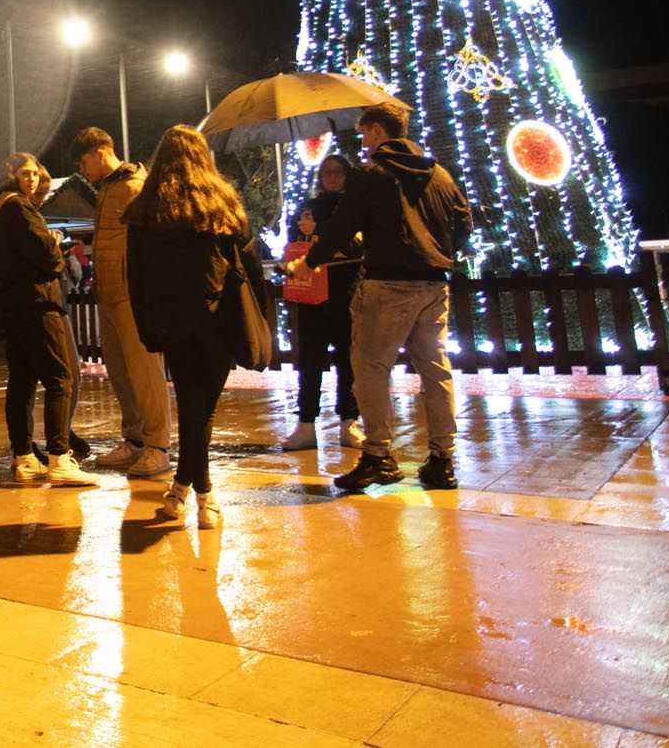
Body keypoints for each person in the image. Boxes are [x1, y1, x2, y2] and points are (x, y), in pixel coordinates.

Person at [292, 101, 472, 493]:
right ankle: (443, 460)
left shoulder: (374, 174)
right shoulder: (438, 173)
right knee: (435, 370)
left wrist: (312, 260)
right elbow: (464, 220)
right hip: (434, 284)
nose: (363, 143)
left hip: (387, 283)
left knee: (370, 369)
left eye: (364, 135)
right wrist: (440, 252)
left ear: (376, 131)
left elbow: (341, 226)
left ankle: (378, 456)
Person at [122, 124, 255, 529]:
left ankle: (184, 489)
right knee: (203, 410)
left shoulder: (147, 209)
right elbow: (245, 257)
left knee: (192, 407)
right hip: (218, 319)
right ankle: (204, 496)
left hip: (171, 319)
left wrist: (147, 329)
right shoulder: (222, 203)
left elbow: (136, 276)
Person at [0, 153, 99, 488]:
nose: (32, 179)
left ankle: (24, 457)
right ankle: (60, 459)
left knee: (22, 380)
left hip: (13, 305)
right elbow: (46, 257)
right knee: (60, 377)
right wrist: (56, 243)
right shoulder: (18, 207)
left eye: (35, 173)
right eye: (25, 173)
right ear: (11, 175)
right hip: (37, 302)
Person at [73, 126, 173, 479]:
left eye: (84, 162)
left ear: (100, 154)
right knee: (120, 372)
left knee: (145, 372)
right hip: (110, 294)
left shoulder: (133, 187)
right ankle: (134, 440)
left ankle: (157, 445)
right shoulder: (108, 188)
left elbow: (152, 241)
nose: (82, 171)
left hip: (132, 294)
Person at [279, 153, 363, 452]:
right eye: (327, 171)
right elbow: (291, 247)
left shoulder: (354, 206)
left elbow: (357, 245)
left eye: (338, 172)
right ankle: (305, 424)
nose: (332, 177)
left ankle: (349, 421)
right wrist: (302, 235)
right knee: (310, 361)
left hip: (345, 292)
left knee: (348, 359)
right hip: (311, 293)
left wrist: (321, 236)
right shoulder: (308, 208)